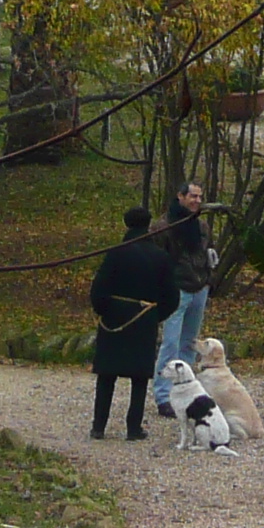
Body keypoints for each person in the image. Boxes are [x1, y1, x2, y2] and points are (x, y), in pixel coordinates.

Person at [87, 204, 174, 440]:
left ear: (126, 224)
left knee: (107, 376)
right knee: (139, 378)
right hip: (144, 318)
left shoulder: (115, 252)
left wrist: (104, 310)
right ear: (148, 225)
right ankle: (133, 428)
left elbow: (99, 288)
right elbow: (172, 297)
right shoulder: (161, 256)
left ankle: (99, 426)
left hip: (114, 318)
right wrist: (154, 316)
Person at [155, 181, 214, 414]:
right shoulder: (163, 226)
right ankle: (162, 395)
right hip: (176, 289)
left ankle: (187, 392)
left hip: (199, 287)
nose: (197, 201)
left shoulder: (201, 226)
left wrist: (210, 277)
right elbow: (158, 258)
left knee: (189, 343)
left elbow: (210, 250)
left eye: (199, 197)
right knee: (170, 343)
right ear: (180, 196)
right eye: (193, 196)